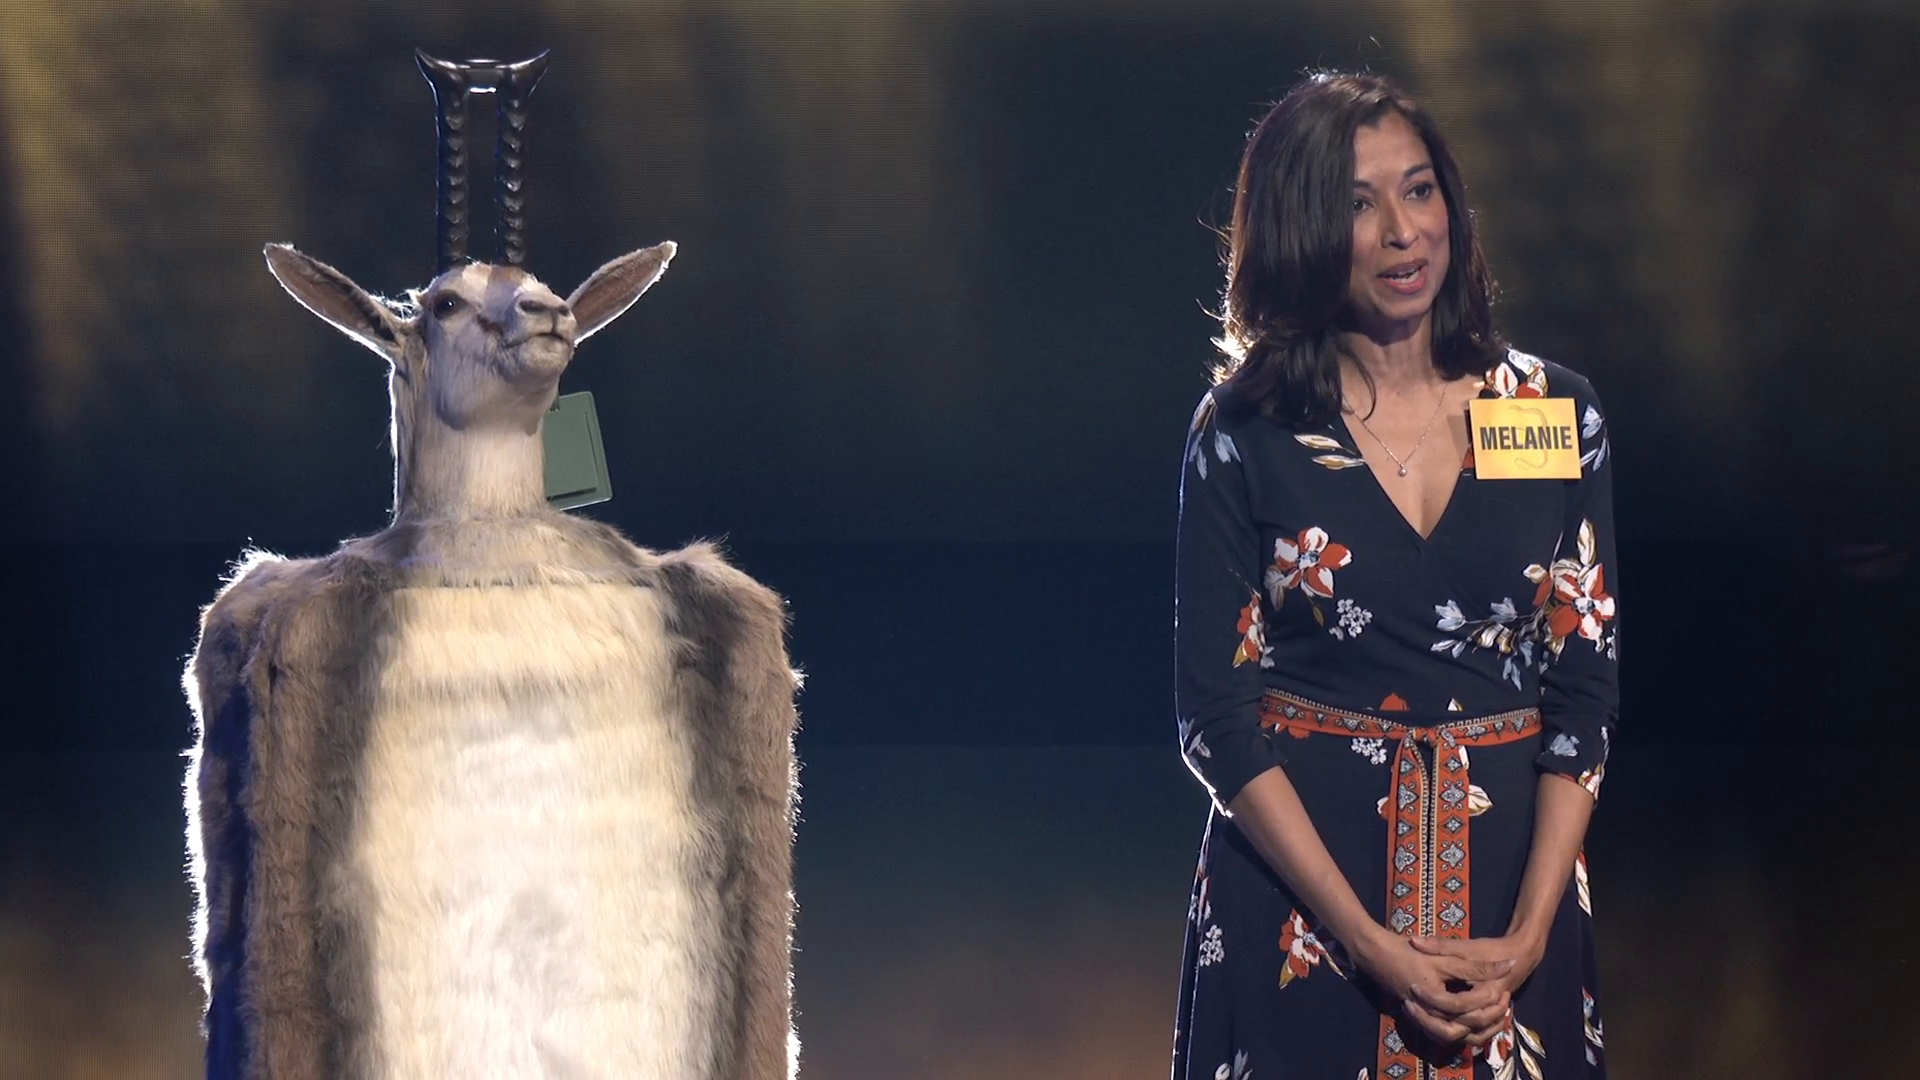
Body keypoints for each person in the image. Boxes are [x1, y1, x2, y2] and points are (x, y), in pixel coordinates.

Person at [1171, 72, 1616, 1080]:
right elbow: (1215, 720)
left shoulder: (1552, 413)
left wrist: (1529, 937)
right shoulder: (1244, 431)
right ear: (1302, 230)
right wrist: (1368, 942)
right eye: (1358, 205)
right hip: (1304, 924)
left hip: (1508, 925)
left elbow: (1584, 694)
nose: (1403, 232)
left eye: (1419, 191)